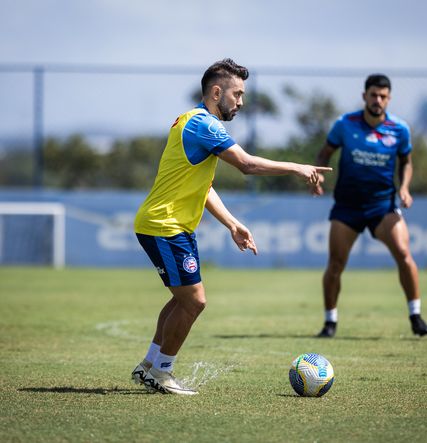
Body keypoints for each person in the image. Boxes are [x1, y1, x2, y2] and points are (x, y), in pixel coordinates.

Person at [131, 58, 331, 395]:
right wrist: (298, 167)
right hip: (164, 225)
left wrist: (232, 224)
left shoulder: (191, 122)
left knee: (184, 299)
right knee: (194, 301)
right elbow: (248, 166)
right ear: (216, 91)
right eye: (237, 94)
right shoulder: (204, 125)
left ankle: (149, 365)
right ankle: (161, 372)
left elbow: (203, 187)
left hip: (171, 225)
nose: (241, 101)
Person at [310, 73, 427, 339]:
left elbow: (407, 162)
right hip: (348, 206)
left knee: (403, 253)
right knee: (336, 264)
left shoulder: (399, 129)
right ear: (364, 96)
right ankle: (330, 322)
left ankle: (416, 316)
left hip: (382, 205)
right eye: (374, 95)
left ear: (389, 99)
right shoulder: (345, 124)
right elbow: (324, 153)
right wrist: (318, 175)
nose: (378, 100)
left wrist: (404, 187)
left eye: (383, 96)